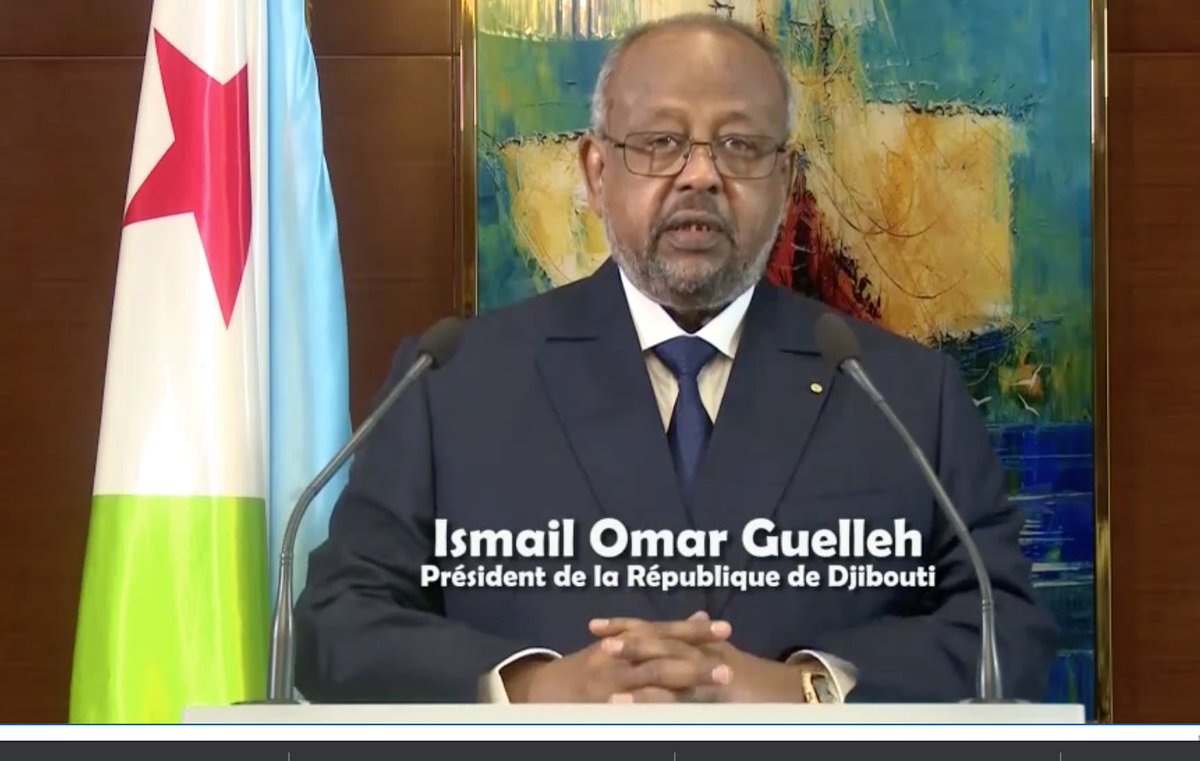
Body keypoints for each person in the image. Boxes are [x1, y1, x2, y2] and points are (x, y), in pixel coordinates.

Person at [293, 13, 1058, 705]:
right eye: (660, 142)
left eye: (740, 145)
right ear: (597, 173)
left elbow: (1010, 627)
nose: (700, 175)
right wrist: (532, 685)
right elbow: (336, 622)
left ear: (785, 179)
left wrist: (808, 687)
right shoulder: (454, 385)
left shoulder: (902, 392)